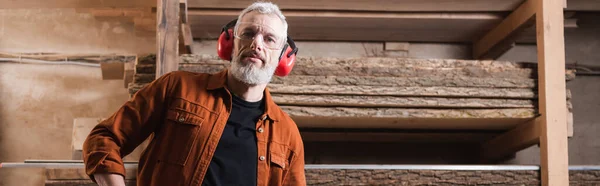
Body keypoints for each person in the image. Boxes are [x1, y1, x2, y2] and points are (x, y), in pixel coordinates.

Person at [82, 2, 305, 186]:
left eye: (269, 39)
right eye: (248, 33)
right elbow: (104, 138)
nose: (256, 43)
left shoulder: (287, 134)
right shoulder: (177, 88)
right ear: (230, 44)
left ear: (283, 57)